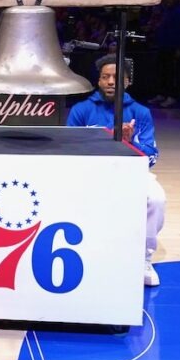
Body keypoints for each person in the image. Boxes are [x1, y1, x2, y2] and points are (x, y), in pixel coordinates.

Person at [67, 54, 167, 287]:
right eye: (105, 77)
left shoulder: (141, 113)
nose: (111, 82)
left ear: (127, 81)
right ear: (98, 81)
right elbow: (69, 150)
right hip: (91, 174)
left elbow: (151, 157)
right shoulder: (81, 110)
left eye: (116, 77)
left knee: (156, 199)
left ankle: (144, 257)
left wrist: (128, 143)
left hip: (132, 172)